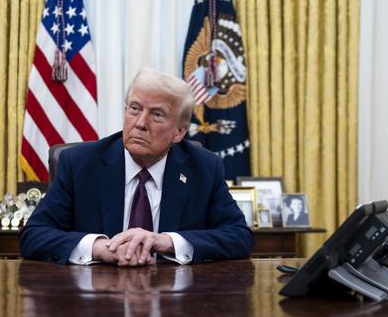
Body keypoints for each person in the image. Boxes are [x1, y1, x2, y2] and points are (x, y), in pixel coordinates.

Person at [19, 67, 254, 266]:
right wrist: (100, 248)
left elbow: (239, 236)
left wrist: (167, 242)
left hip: (178, 303)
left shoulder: (204, 168)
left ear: (179, 132)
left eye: (158, 115)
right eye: (134, 108)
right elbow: (33, 235)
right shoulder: (79, 163)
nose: (140, 123)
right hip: (93, 303)